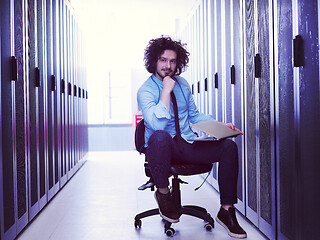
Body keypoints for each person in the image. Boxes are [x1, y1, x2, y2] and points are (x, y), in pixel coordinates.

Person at [137, 36, 247, 239]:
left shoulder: (183, 84)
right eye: (163, 60)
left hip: (186, 144)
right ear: (154, 61)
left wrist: (220, 126)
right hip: (162, 150)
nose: (168, 66)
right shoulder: (145, 91)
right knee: (159, 136)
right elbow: (158, 124)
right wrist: (165, 91)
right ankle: (164, 195)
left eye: (172, 61)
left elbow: (194, 115)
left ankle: (226, 210)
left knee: (228, 147)